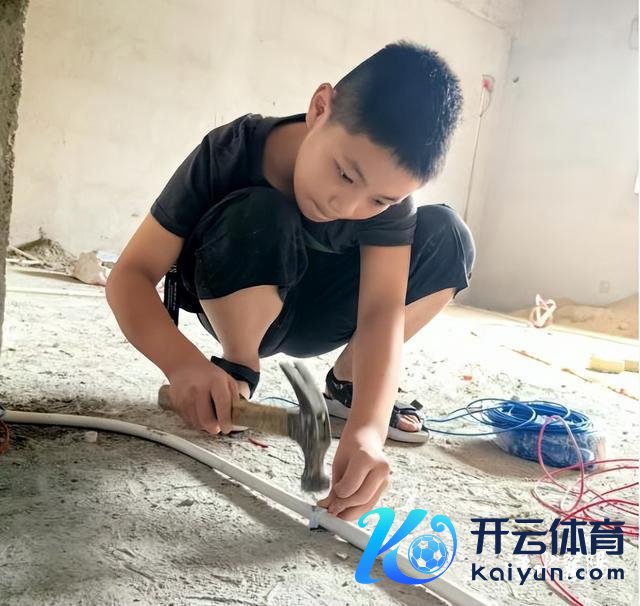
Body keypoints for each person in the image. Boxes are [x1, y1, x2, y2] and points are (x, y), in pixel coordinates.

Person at [106, 39, 475, 522]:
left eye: (379, 201)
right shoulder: (231, 151)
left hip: (322, 314)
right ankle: (238, 370)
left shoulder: (386, 200)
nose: (347, 206)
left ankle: (346, 383)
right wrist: (183, 365)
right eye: (345, 174)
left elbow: (382, 312)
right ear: (320, 108)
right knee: (262, 210)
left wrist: (368, 430)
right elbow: (130, 276)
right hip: (243, 293)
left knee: (448, 235)